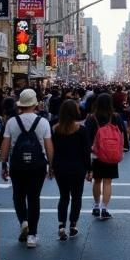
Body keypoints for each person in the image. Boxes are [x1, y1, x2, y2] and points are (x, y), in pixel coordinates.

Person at [0, 89, 53, 247]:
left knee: (18, 195)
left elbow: (5, 145)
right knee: (34, 198)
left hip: (17, 164)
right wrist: (51, 165)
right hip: (38, 165)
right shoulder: (43, 122)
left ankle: (23, 221)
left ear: (21, 104)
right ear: (35, 104)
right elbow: (49, 146)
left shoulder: (11, 122)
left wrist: (4, 164)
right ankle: (32, 235)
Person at [50, 99, 91, 240]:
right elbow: (86, 152)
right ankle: (73, 225)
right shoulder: (82, 130)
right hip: (78, 168)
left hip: (60, 167)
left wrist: (51, 166)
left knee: (63, 197)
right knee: (76, 197)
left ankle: (61, 225)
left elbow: (52, 150)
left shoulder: (55, 129)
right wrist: (90, 169)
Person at [85, 93, 126, 220]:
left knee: (97, 180)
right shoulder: (116, 117)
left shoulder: (91, 118)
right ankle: (104, 208)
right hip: (111, 153)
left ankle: (96, 206)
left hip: (96, 154)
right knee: (107, 182)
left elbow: (86, 137)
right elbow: (122, 134)